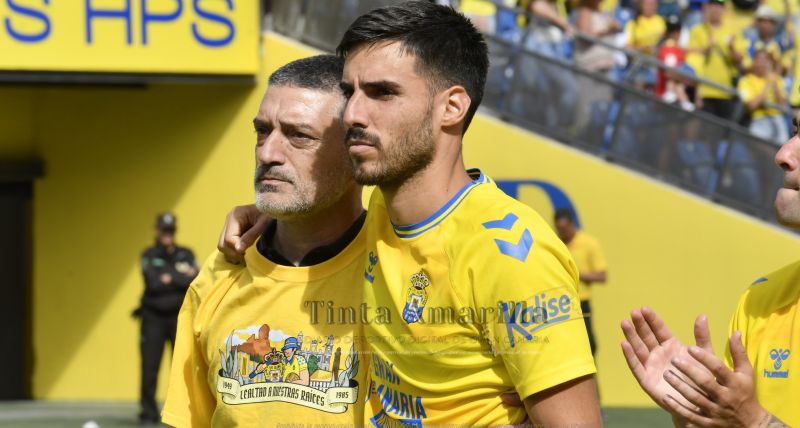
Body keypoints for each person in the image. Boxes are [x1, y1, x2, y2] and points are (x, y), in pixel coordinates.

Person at [337, 2, 600, 425]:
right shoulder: (382, 203)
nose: (352, 113)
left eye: (383, 92)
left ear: (453, 107)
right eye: (348, 92)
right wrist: (268, 216)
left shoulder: (509, 254)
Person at [161, 55, 368, 427]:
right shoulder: (219, 276)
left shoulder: (398, 268)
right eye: (262, 131)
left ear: (357, 149)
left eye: (299, 135)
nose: (268, 153)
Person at [620, 111, 800, 426]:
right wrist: (699, 411)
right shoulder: (760, 301)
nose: (783, 154)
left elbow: (749, 421)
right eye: (795, 130)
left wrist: (753, 421)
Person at [135, 212, 198, 425]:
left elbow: (195, 279)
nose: (168, 234)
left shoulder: (186, 253)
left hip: (178, 317)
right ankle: (148, 413)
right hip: (153, 318)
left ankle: (183, 413)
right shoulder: (149, 254)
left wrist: (168, 277)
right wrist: (179, 277)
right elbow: (153, 283)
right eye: (164, 230)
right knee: (150, 366)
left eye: (171, 230)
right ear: (157, 231)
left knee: (182, 366)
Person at [554, 208, 608, 355]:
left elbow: (602, 276)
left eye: (564, 228)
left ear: (572, 224)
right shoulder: (556, 244)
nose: (562, 232)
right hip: (560, 303)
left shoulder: (588, 243)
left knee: (589, 345)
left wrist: (577, 274)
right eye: (559, 229)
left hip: (581, 302)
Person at [686, 0, 742, 119]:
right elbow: (689, 55)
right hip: (704, 89)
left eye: (719, 5)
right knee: (705, 128)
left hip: (725, 90)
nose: (716, 9)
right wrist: (707, 49)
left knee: (724, 128)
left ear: (724, 9)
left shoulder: (733, 31)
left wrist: (731, 48)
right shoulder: (698, 30)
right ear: (707, 7)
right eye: (713, 5)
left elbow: (740, 60)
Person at [737, 48, 789, 143]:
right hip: (758, 119)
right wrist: (767, 87)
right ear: (754, 61)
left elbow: (782, 104)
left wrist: (775, 84)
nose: (761, 63)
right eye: (759, 59)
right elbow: (751, 105)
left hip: (777, 119)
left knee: (783, 147)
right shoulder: (745, 81)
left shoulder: (776, 79)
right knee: (758, 144)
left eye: (765, 60)